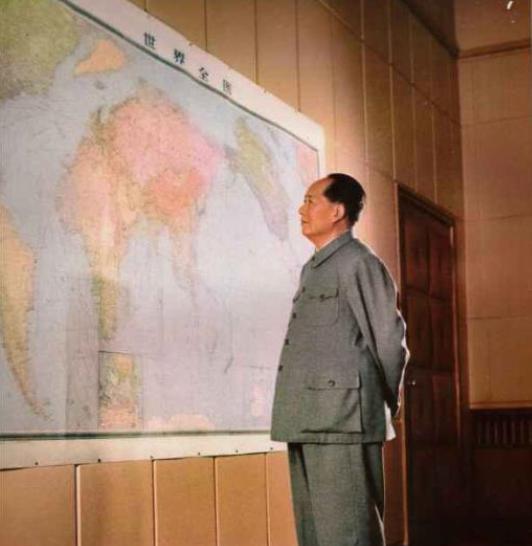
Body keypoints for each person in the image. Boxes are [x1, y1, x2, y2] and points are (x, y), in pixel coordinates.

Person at [270, 173, 409, 546]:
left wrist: (384, 403)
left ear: (337, 211)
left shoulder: (359, 263)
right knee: (315, 535)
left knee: (349, 534)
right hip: (307, 419)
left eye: (310, 200)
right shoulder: (313, 267)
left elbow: (389, 341)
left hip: (342, 421)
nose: (301, 209)